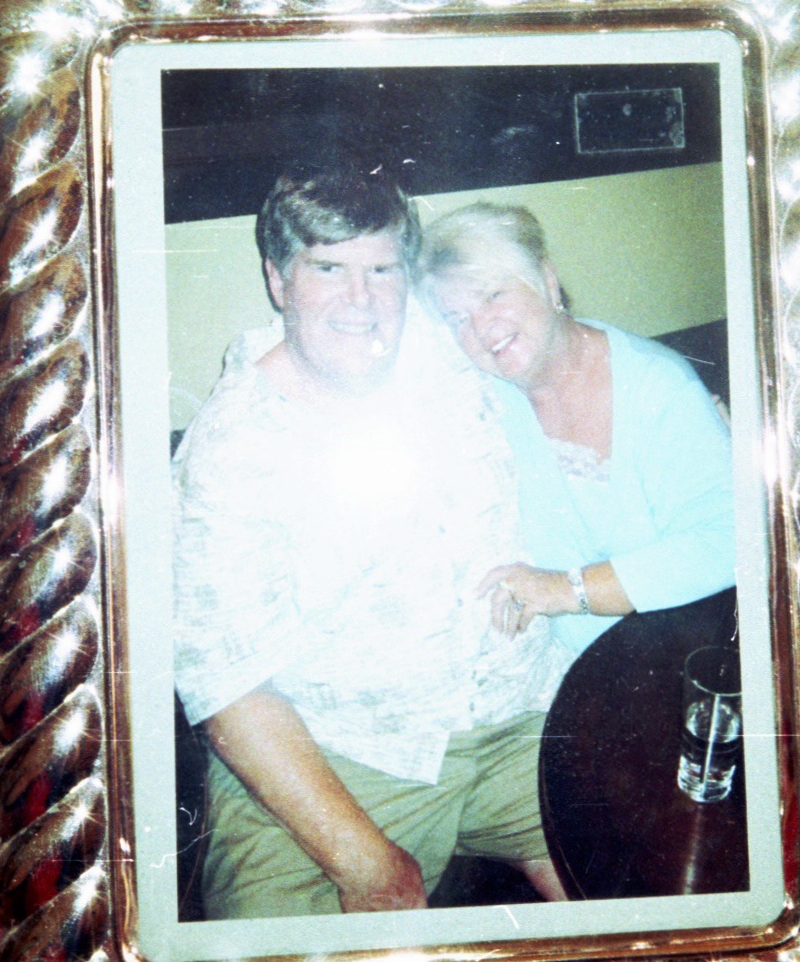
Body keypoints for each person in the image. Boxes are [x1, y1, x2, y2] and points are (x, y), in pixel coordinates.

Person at [171, 166, 572, 920]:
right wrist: (366, 864)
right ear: (277, 279)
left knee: (653, 894)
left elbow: (572, 360)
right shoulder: (228, 450)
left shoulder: (448, 348)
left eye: (383, 270)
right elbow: (228, 682)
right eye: (329, 268)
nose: (362, 301)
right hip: (347, 754)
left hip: (519, 714)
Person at [420, 202, 735, 656]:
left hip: (674, 660)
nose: (481, 327)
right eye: (456, 317)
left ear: (548, 282)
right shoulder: (487, 393)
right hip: (565, 676)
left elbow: (732, 539)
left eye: (493, 295)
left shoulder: (655, 386)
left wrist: (566, 590)